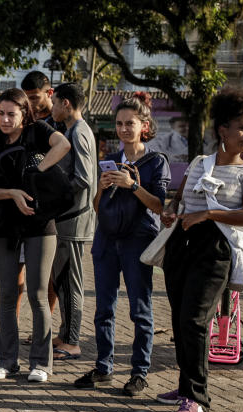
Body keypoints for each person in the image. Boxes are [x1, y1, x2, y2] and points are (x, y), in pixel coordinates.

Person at [159, 89, 243, 412]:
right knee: (180, 319)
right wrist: (170, 210)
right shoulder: (199, 163)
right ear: (223, 130)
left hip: (216, 250)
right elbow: (180, 199)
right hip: (182, 243)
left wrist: (208, 214)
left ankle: (197, 396)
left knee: (195, 319)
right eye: (242, 128)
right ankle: (183, 385)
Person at [74, 94, 169, 396]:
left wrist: (133, 185)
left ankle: (140, 372)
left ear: (144, 126)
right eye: (119, 124)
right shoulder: (111, 160)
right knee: (104, 309)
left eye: (131, 123)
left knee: (140, 310)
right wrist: (101, 188)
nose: (124, 129)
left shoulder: (156, 162)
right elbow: (97, 207)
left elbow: (159, 206)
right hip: (106, 240)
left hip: (137, 240)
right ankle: (104, 368)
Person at [0, 88, 70, 383]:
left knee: (37, 294)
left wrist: (37, 172)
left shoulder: (37, 131)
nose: (5, 120)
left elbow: (63, 145)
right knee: (8, 294)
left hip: (40, 224)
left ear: (24, 114)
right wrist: (13, 193)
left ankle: (41, 364)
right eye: (1, 114)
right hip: (6, 227)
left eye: (11, 114)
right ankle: (6, 361)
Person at [50, 83, 97, 362]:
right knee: (62, 280)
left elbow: (83, 178)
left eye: (54, 102)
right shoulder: (73, 130)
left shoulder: (79, 132)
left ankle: (73, 340)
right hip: (67, 220)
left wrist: (54, 190)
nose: (52, 107)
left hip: (73, 222)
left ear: (66, 103)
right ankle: (66, 333)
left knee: (70, 283)